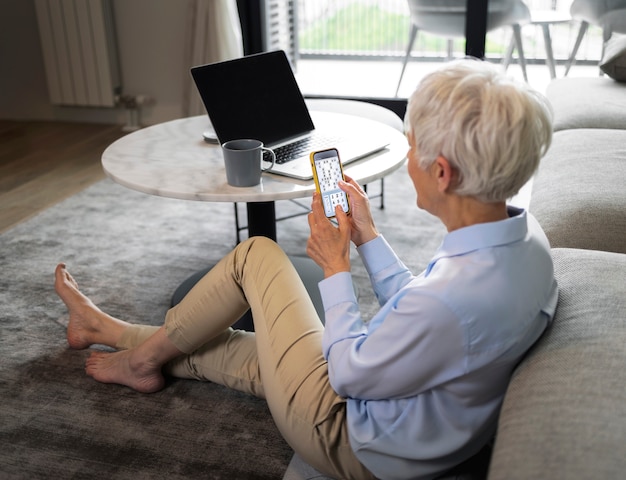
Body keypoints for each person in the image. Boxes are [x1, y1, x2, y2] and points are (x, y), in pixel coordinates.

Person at [55, 58, 558, 480]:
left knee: (257, 254)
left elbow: (345, 373)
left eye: (413, 148)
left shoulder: (452, 300)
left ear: (442, 172)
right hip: (415, 424)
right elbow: (422, 312)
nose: (409, 160)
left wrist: (335, 268)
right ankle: (118, 336)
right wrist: (367, 238)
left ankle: (138, 358)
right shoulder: (526, 242)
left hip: (353, 440)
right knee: (262, 352)